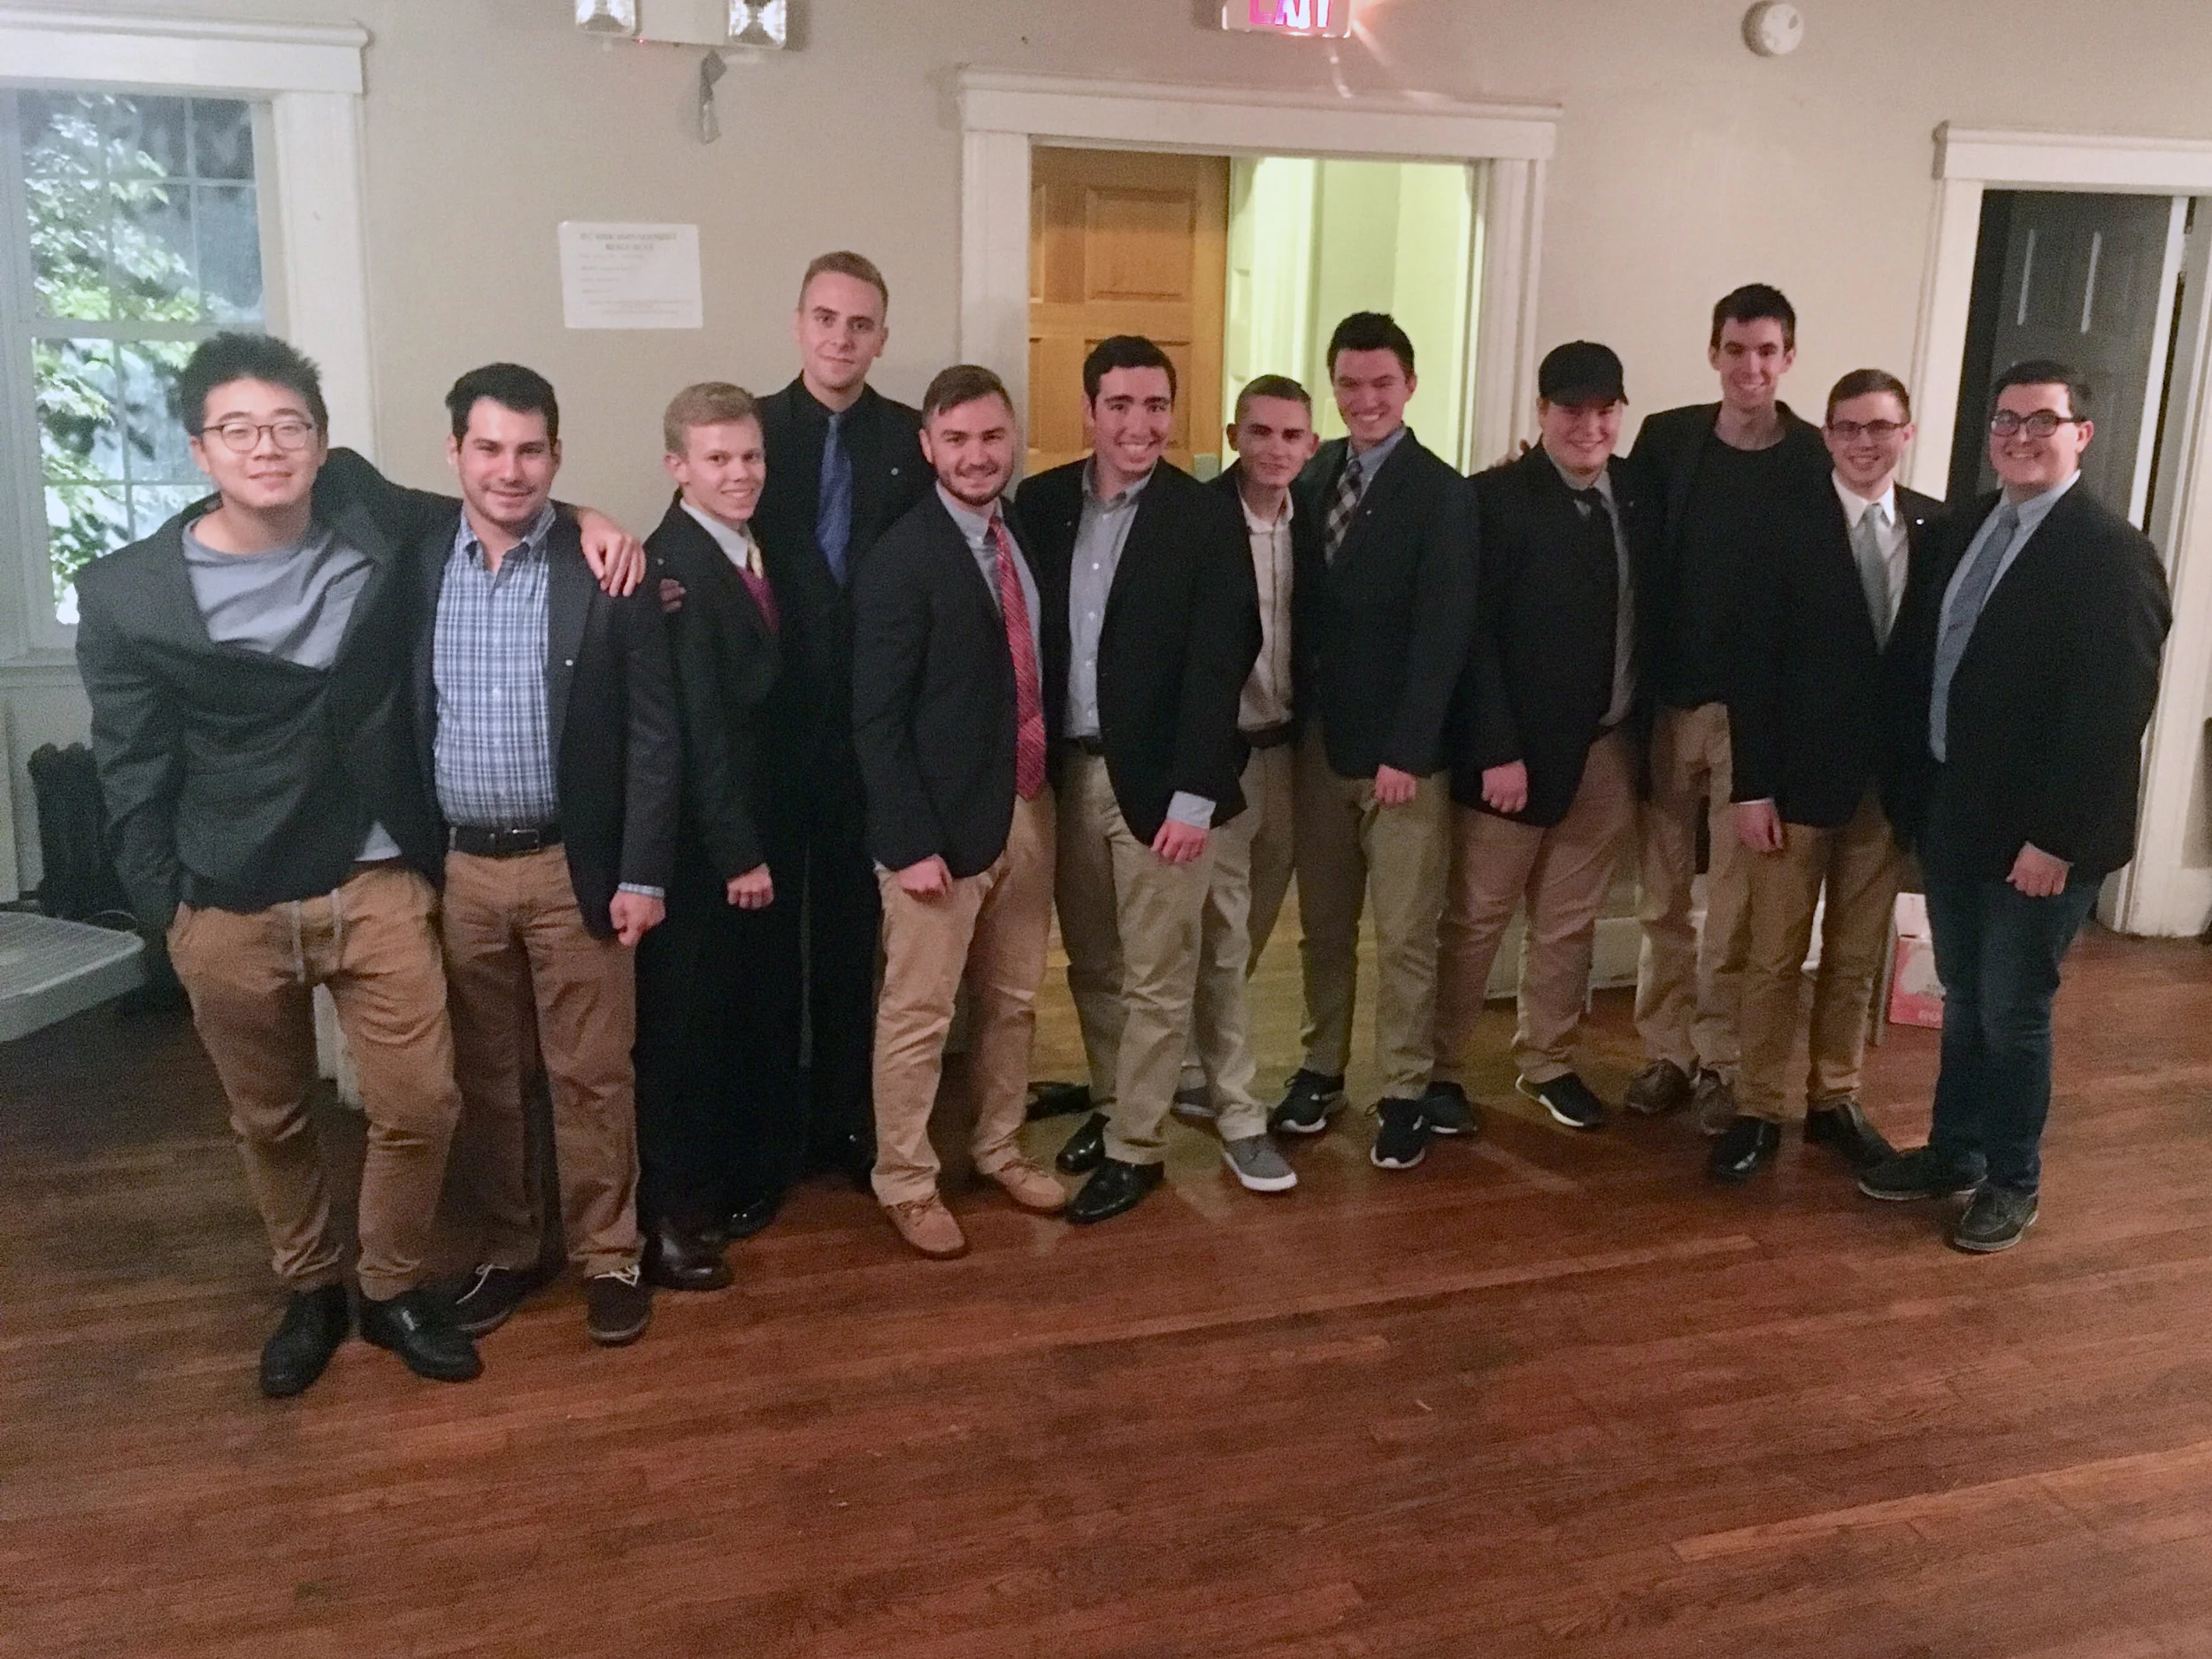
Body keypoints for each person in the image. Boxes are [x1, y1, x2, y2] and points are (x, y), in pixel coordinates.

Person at [75, 333, 642, 1397]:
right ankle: (309, 1289)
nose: (268, 447)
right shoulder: (130, 596)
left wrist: (592, 517)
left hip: (375, 874)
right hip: (227, 891)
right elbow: (130, 769)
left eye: (289, 424)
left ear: (324, 442)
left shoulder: (370, 513)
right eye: (238, 429)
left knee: (424, 1103)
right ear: (200, 449)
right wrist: (171, 915)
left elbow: (498, 500)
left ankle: (389, 1289)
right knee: (273, 1120)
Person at [1862, 359, 2170, 1251]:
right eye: (2006, 420)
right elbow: (1928, 665)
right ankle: (1951, 1153)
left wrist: (2054, 840)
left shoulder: (2109, 553)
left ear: (2081, 433)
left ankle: (2011, 1180)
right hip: (1957, 816)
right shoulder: (1963, 531)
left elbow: (2112, 713)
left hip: (2040, 841)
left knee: (2012, 1009)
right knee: (1962, 999)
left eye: (2043, 420)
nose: (2021, 435)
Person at [422, 364, 678, 1347]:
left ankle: (609, 1254)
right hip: (461, 872)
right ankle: (508, 1248)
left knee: (592, 1075)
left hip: (579, 865)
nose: (509, 469)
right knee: (488, 1079)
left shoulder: (606, 571)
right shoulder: (414, 559)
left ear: (555, 456)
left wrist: (644, 871)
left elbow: (656, 736)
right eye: (488, 447)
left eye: (532, 450)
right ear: (455, 454)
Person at [1018, 334, 1260, 1224]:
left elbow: (1222, 658)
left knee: (1162, 973)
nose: (1139, 423)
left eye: (1156, 405)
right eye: (1120, 405)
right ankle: (1119, 1100)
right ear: (1088, 412)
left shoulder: (1204, 515)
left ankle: (1136, 1147)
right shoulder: (1040, 505)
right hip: (1066, 778)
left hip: (1164, 789)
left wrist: (1196, 794)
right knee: (1093, 964)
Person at [851, 365, 1068, 1256]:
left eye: (991, 438)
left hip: (1026, 804)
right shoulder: (900, 558)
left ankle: (998, 1148)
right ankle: (904, 1180)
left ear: (1009, 440)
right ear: (927, 446)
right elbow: (874, 716)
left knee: (1014, 1001)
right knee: (918, 1013)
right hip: (933, 833)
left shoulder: (1022, 540)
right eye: (957, 440)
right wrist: (906, 842)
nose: (977, 457)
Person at [1710, 369, 1939, 1182]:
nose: (1865, 442)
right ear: (1829, 437)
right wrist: (1751, 786)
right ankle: (1758, 1107)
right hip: (1793, 784)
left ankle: (1835, 1098)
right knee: (1772, 954)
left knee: (1854, 954)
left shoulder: (1936, 527)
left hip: (1887, 788)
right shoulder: (1780, 524)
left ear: (1906, 432)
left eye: (1881, 427)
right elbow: (1752, 667)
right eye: (1848, 427)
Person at [1623, 284, 1832, 1131]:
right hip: (1667, 703)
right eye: (1736, 349)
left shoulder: (1816, 456)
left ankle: (1720, 1057)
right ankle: (1665, 1050)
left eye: (1767, 351)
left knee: (1735, 905)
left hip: (1756, 721)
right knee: (1662, 896)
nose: (1751, 366)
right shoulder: (1667, 439)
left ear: (1788, 358)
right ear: (1713, 352)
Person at [1275, 311, 1476, 1172]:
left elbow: (1445, 634)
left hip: (1403, 761)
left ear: (1410, 387)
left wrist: (1409, 747)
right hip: (1318, 745)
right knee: (1323, 924)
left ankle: (1403, 1089)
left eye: (1381, 385)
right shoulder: (1314, 471)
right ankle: (1323, 1065)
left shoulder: (1443, 492)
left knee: (1403, 933)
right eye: (1350, 384)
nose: (1365, 400)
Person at [750, 252, 931, 1195]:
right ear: (798, 323)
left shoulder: (910, 437)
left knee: (859, 943)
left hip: (872, 736)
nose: (840, 338)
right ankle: (774, 1131)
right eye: (825, 318)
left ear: (881, 338)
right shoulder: (750, 431)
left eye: (860, 325)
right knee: (773, 944)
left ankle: (848, 1124)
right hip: (772, 736)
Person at [1432, 342, 1645, 1136]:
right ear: (1541, 412)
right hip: (1510, 758)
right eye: (1571, 408)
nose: (1588, 424)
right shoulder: (1491, 499)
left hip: (1609, 749)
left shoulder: (1636, 495)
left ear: (1621, 412)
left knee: (1569, 920)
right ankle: (1438, 1068)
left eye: (1604, 409)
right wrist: (1495, 748)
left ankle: (1547, 1060)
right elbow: (1472, 635)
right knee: (1477, 916)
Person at [633, 383, 803, 1289]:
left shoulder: (742, 546)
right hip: (707, 851)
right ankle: (675, 1217)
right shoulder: (676, 570)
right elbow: (695, 726)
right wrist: (738, 851)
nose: (740, 475)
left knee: (739, 1018)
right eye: (719, 460)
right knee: (687, 1033)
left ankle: (737, 1179)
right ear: (677, 468)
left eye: (751, 458)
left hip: (753, 831)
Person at [1166, 374, 1319, 1195]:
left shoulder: (1319, 521)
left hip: (1291, 754)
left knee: (1251, 926)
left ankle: (1196, 1064)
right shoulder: (1196, 519)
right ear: (1233, 435)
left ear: (1311, 446)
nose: (1274, 449)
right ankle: (1238, 1112)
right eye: (1259, 432)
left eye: (1291, 435)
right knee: (1222, 936)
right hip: (1218, 759)